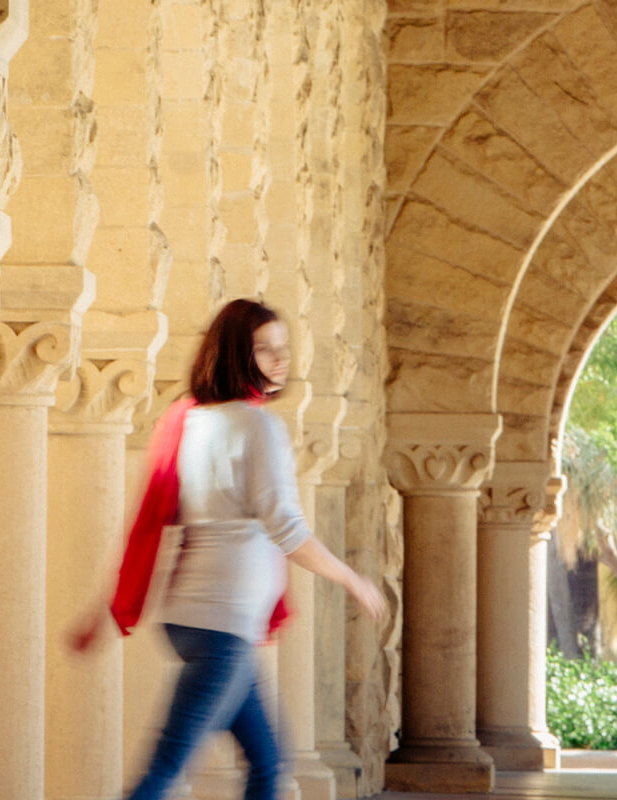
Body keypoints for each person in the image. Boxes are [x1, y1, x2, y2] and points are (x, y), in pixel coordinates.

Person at [66, 298, 388, 800]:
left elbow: (148, 520)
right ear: (238, 353)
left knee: (267, 762)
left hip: (196, 622)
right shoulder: (256, 427)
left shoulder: (188, 420)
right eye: (265, 349)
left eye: (283, 348)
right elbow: (287, 529)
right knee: (165, 771)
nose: (280, 360)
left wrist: (105, 608)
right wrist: (352, 579)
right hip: (222, 624)